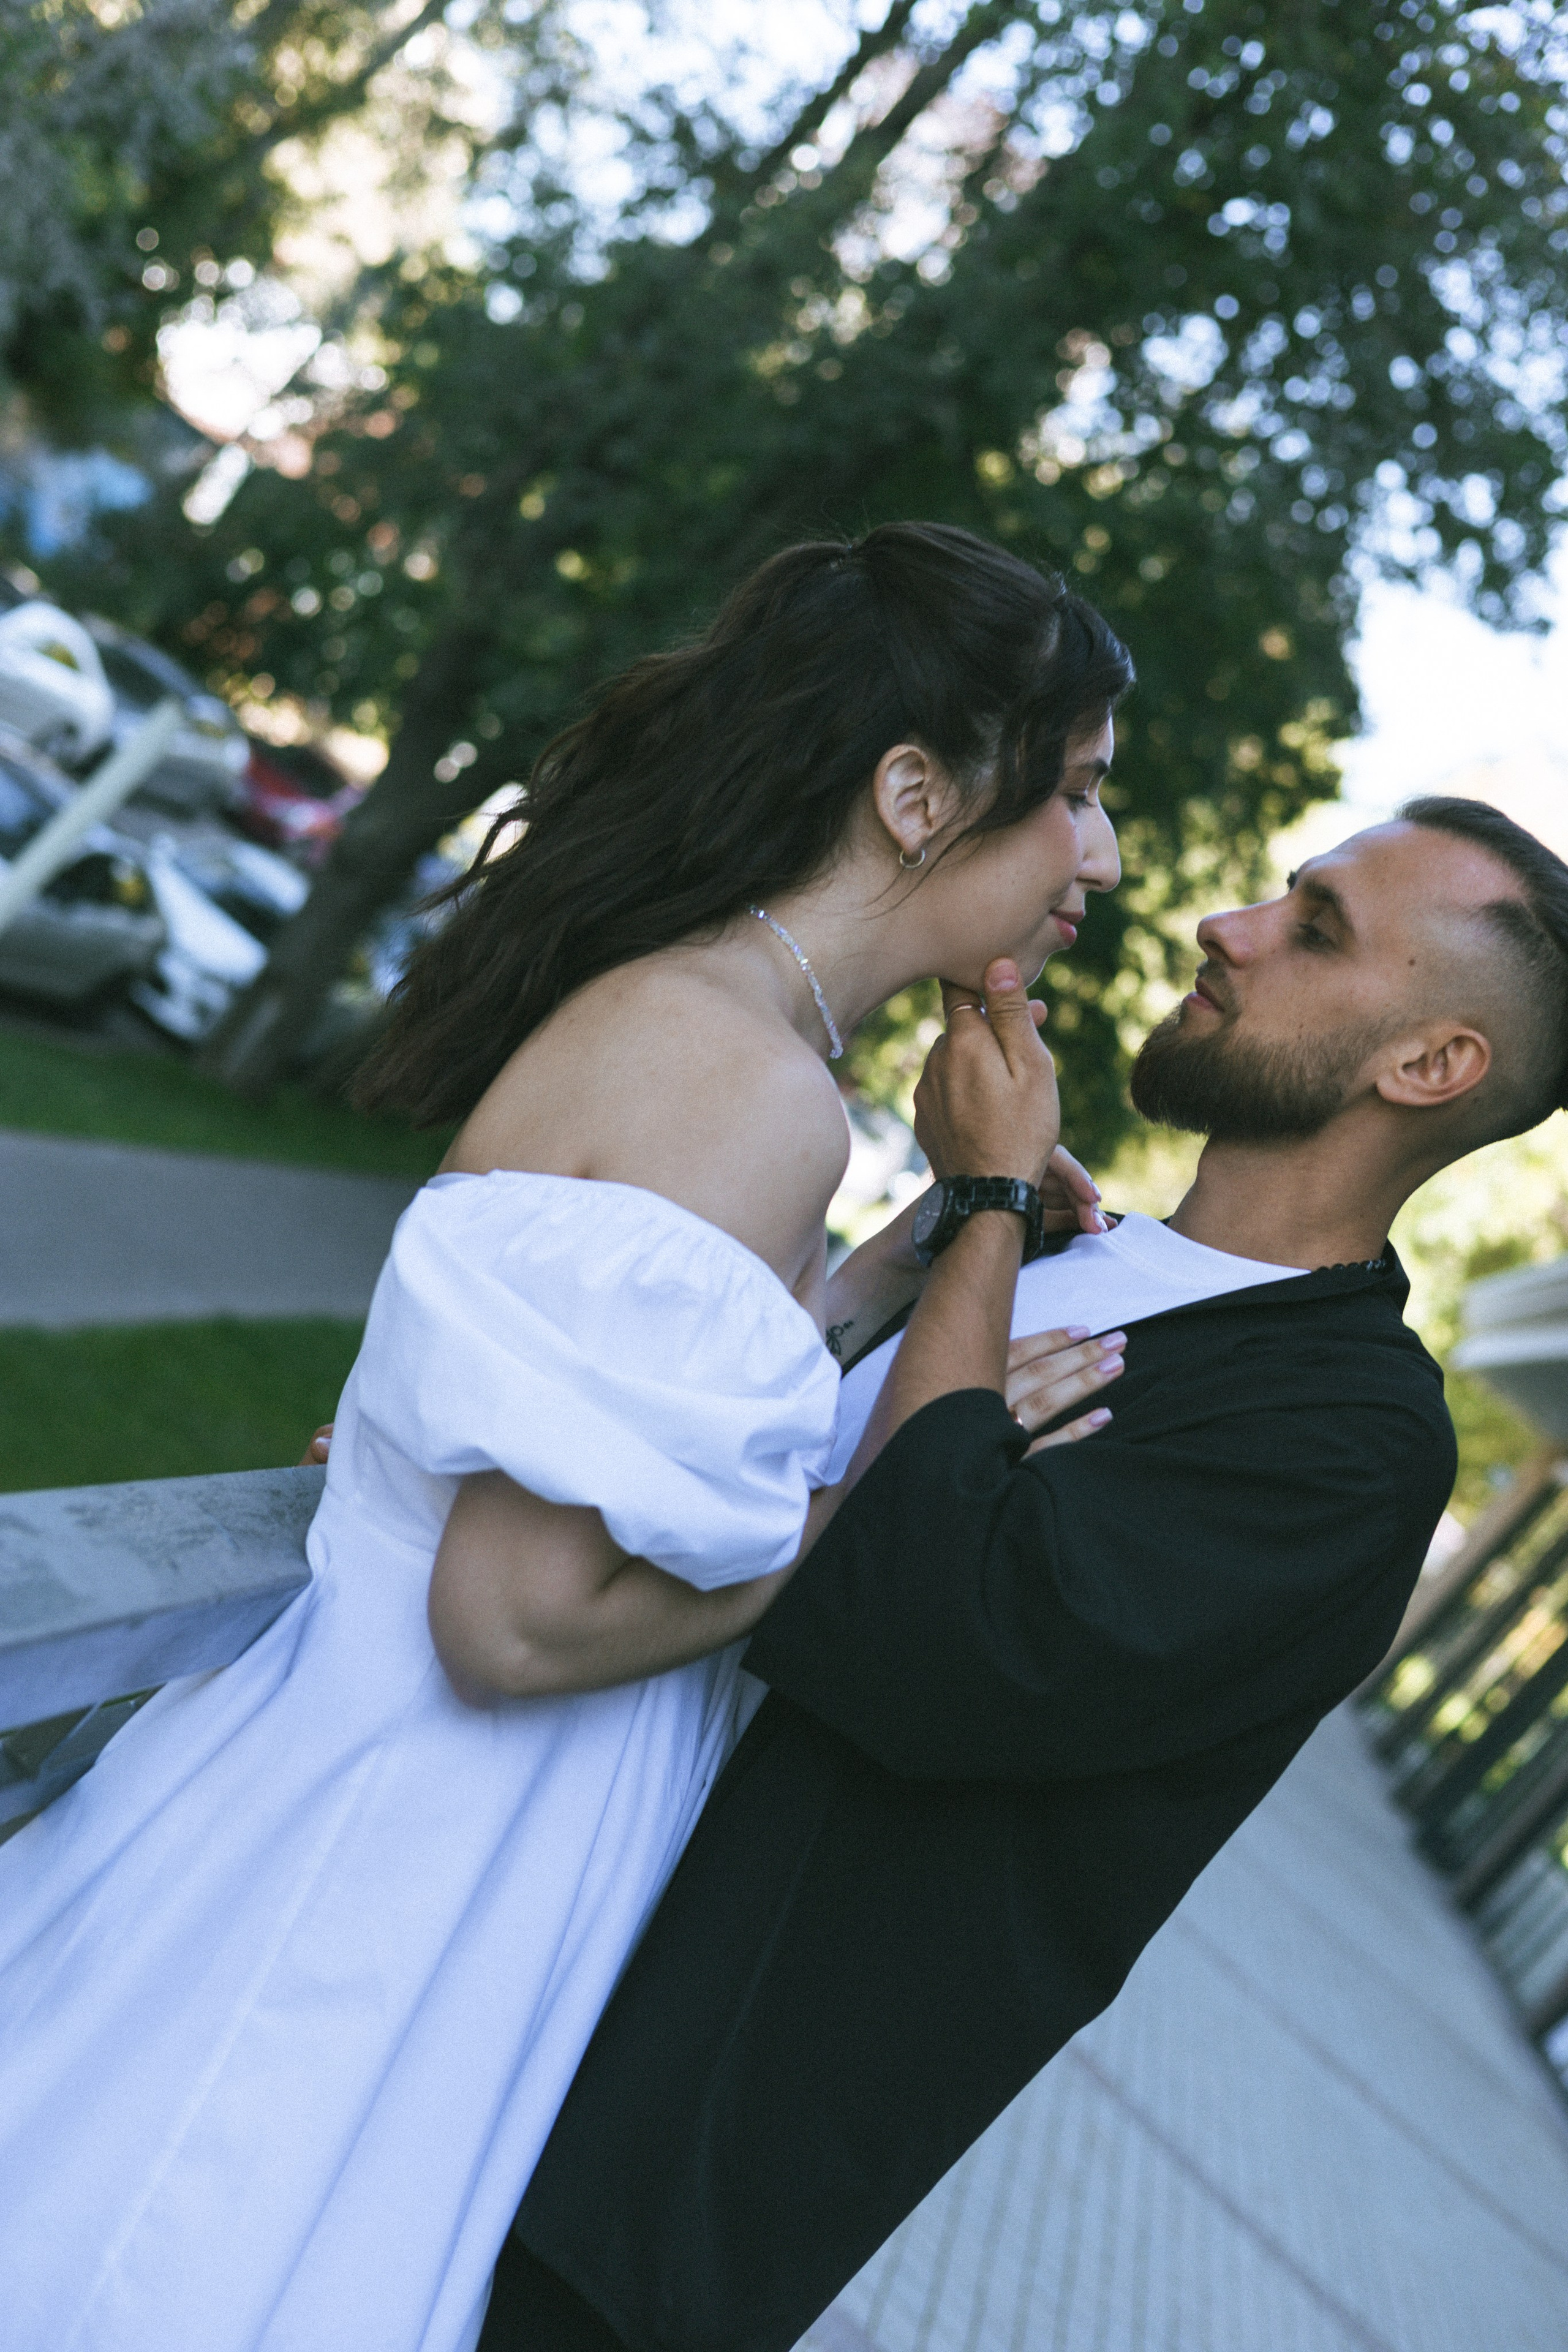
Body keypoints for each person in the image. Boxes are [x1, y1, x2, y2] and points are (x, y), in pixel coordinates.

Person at [0, 524, 1129, 2352]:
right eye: (1074, 795)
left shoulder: (723, 1036)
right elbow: (514, 1619)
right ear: (918, 793)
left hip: (395, 1815)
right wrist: (903, 1483)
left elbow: (633, 1386)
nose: (1105, 853)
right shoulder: (742, 1083)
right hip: (394, 1864)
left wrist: (899, 1268)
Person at [480, 796, 1568, 2352]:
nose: (1226, 924)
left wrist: (987, 1210)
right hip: (486, 1969)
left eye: (1311, 928)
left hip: (619, 2189)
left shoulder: (1345, 1442)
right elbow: (737, 1503)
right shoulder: (1049, 1251)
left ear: (1428, 1068)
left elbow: (923, 1630)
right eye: (1277, 891)